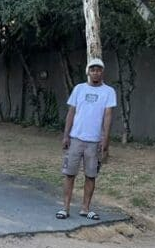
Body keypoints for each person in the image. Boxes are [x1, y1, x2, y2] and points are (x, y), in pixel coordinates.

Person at [56, 58, 116, 220]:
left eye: (99, 70)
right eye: (93, 69)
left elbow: (108, 116)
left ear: (102, 72)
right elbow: (71, 112)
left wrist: (105, 139)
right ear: (88, 72)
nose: (96, 72)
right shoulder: (79, 89)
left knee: (91, 175)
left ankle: (85, 208)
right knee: (70, 174)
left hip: (94, 141)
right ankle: (65, 208)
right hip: (76, 139)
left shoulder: (108, 92)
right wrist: (66, 135)